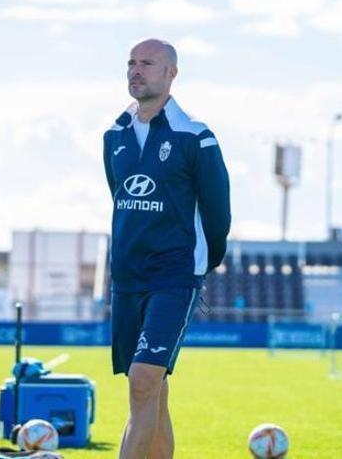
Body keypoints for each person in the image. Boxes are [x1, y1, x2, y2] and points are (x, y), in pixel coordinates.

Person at [103, 39, 231, 459]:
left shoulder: (196, 136)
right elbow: (120, 197)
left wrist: (198, 266)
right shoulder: (114, 134)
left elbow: (217, 213)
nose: (136, 71)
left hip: (174, 275)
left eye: (147, 63)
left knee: (143, 380)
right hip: (126, 278)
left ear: (171, 73)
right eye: (131, 63)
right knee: (151, 387)